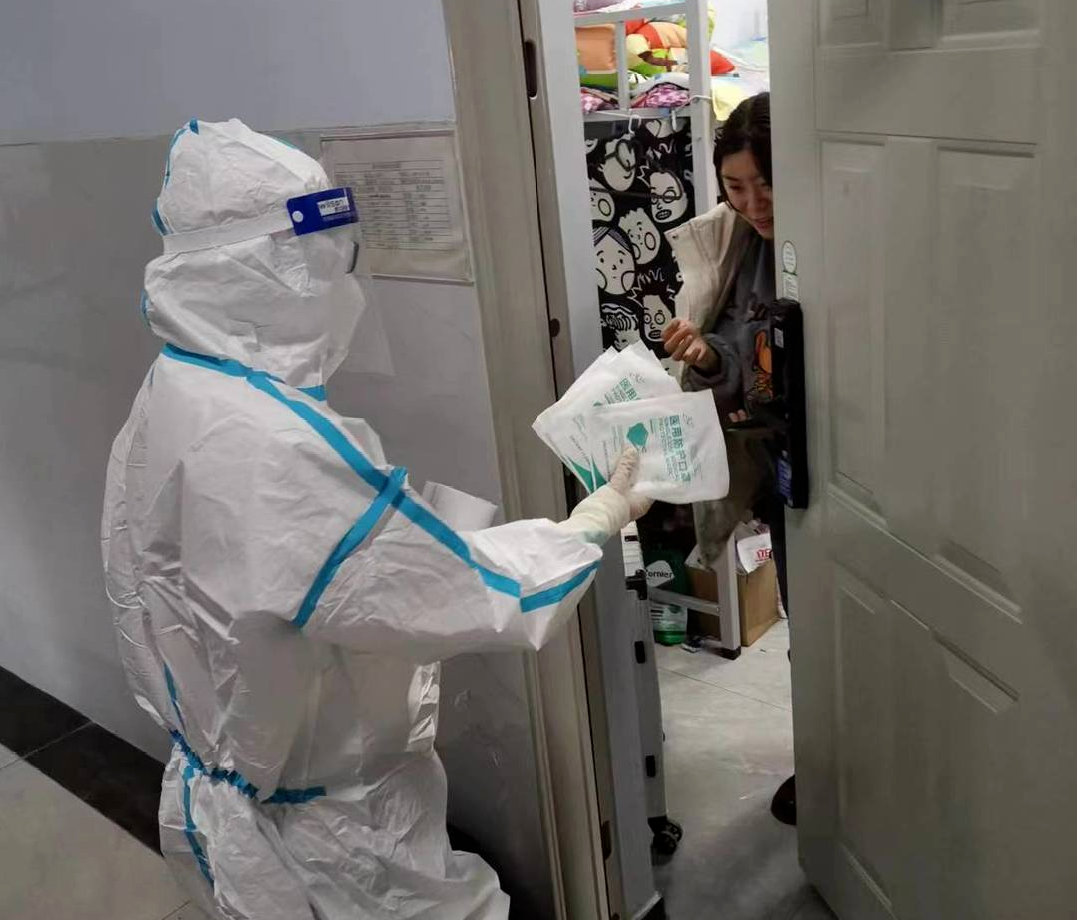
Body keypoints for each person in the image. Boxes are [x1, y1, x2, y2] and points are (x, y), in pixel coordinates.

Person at [101, 118, 650, 920]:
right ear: (259, 270)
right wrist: (594, 521)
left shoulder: (177, 387)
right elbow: (474, 594)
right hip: (339, 843)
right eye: (323, 260)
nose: (343, 284)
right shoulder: (278, 443)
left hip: (229, 798)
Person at [659, 93, 796, 826]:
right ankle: (826, 762)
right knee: (812, 619)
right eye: (735, 187)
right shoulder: (739, 245)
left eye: (765, 185)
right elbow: (744, 357)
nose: (752, 204)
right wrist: (707, 356)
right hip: (786, 467)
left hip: (850, 462)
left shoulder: (829, 236)